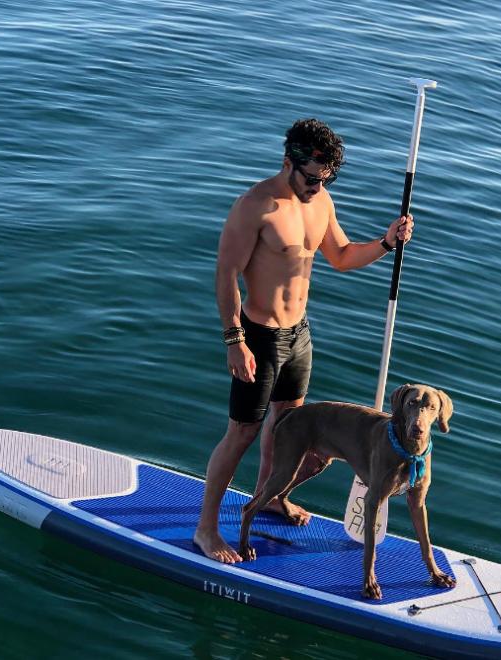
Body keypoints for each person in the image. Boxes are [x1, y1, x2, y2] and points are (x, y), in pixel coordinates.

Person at [193, 118, 414, 563]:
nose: (317, 186)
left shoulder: (320, 202)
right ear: (287, 162)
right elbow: (225, 275)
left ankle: (270, 496)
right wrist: (235, 339)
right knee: (242, 433)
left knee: (288, 426)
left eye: (325, 178)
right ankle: (206, 529)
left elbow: (342, 256)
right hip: (258, 334)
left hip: (299, 334)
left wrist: (387, 242)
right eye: (311, 177)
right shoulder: (255, 206)